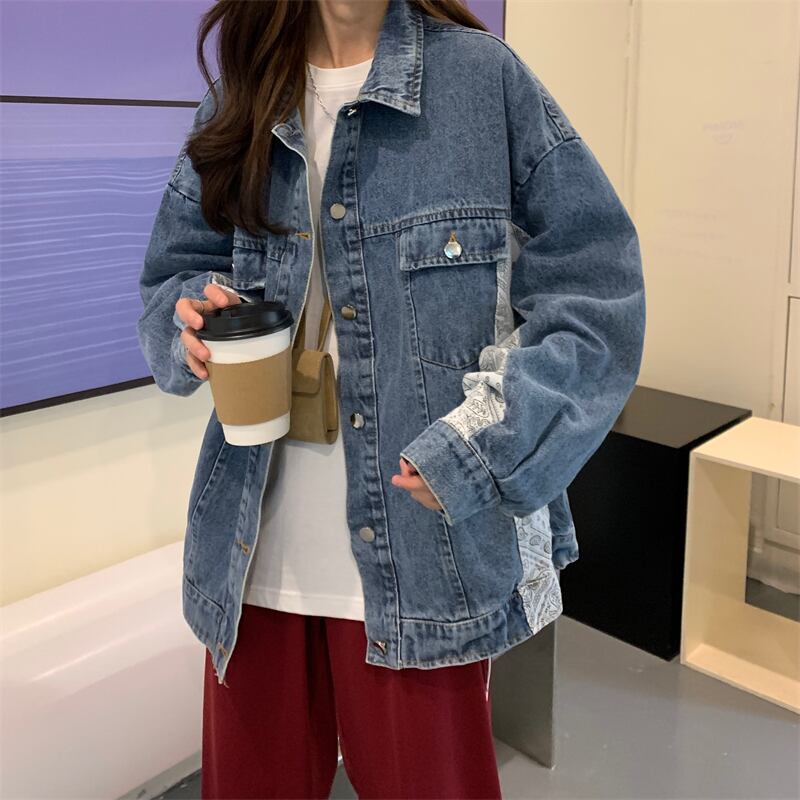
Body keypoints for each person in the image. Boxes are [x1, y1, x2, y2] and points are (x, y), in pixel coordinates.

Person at [136, 0, 646, 797]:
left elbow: (596, 296)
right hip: (251, 557)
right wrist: (189, 321)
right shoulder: (243, 95)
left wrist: (484, 450)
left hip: (424, 555)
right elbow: (171, 276)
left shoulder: (482, 82)